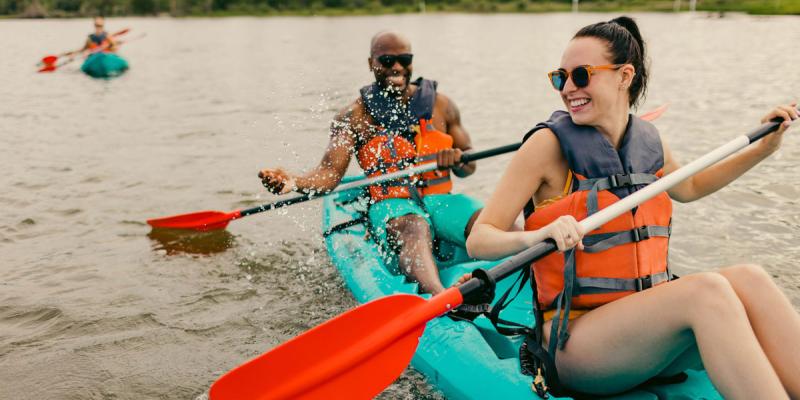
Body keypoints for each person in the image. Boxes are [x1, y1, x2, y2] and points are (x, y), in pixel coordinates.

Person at [465, 16, 798, 399]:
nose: (568, 88)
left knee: (751, 278)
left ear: (625, 76)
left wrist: (764, 149)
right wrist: (539, 234)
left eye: (582, 75)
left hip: (642, 340)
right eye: (561, 78)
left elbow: (689, 187)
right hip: (578, 346)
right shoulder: (546, 146)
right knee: (705, 291)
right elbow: (480, 239)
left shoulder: (648, 142)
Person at [259, 31, 483, 295]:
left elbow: (470, 166)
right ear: (371, 64)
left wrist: (457, 161)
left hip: (438, 200)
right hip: (392, 205)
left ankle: (530, 264)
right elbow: (329, 174)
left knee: (484, 218)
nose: (396, 67)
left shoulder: (441, 105)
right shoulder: (353, 117)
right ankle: (439, 296)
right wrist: (294, 181)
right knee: (414, 225)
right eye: (387, 60)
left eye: (404, 59)